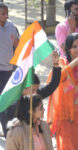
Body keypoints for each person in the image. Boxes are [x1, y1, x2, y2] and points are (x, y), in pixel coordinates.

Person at [47, 33, 78, 150]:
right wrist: (76, 61)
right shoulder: (62, 63)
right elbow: (57, 78)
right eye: (74, 47)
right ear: (68, 49)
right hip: (66, 117)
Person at [0, 2, 19, 137]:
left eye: (7, 13)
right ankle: (6, 132)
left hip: (8, 70)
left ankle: (8, 131)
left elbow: (18, 45)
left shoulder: (11, 26)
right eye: (3, 13)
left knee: (7, 101)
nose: (6, 15)